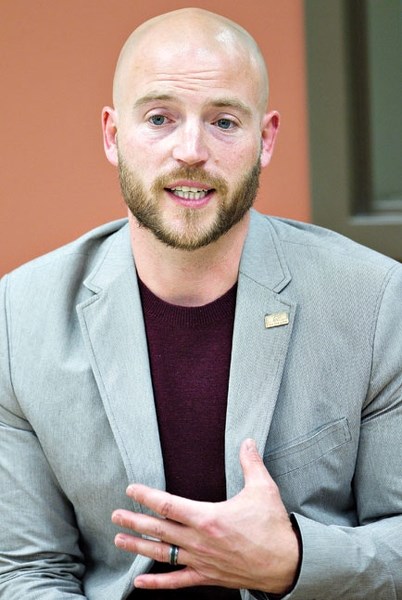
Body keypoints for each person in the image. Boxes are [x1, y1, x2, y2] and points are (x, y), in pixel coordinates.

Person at [0, 7, 401, 600]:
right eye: (160, 118)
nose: (191, 150)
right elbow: (29, 571)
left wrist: (293, 559)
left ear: (265, 140)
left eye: (224, 122)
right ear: (113, 135)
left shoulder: (373, 299)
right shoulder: (19, 314)